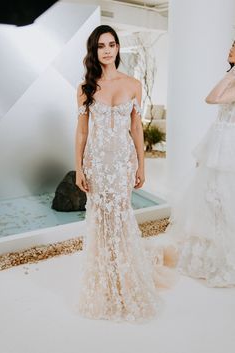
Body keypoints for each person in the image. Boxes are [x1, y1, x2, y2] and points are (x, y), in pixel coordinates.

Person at [74, 25, 177, 323]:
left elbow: (136, 128)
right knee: (100, 221)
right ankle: (104, 282)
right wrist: (79, 167)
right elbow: (81, 133)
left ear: (118, 48)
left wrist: (141, 165)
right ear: (94, 51)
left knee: (120, 219)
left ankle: (124, 280)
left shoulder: (132, 84)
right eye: (101, 46)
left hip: (121, 163)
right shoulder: (85, 88)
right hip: (96, 162)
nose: (107, 50)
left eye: (112, 44)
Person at [166, 41, 235, 287]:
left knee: (226, 200)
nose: (229, 49)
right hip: (219, 142)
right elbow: (213, 98)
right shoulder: (232, 75)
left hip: (230, 148)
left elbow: (213, 98)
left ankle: (226, 260)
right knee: (211, 199)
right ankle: (208, 258)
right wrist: (231, 72)